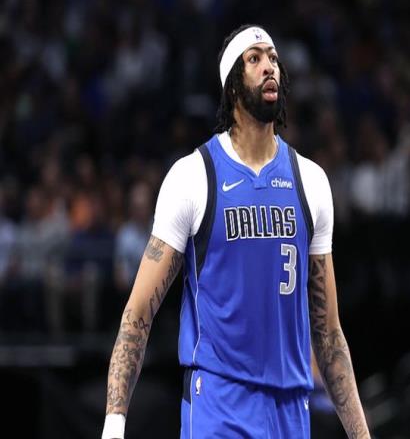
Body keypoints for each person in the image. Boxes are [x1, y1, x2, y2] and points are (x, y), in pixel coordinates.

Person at [102, 24, 370, 439]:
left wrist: (361, 435)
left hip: (290, 410)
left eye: (274, 58)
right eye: (255, 59)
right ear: (232, 85)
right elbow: (138, 314)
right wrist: (114, 422)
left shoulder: (311, 181)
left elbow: (329, 334)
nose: (269, 66)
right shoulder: (193, 177)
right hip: (219, 405)